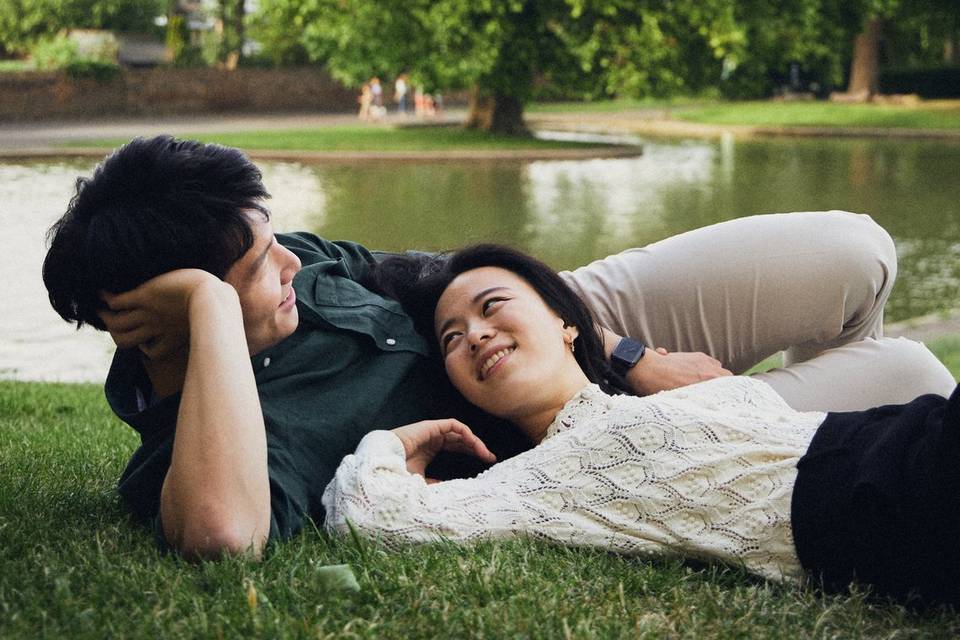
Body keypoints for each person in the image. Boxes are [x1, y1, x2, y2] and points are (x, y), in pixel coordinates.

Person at [42, 135, 952, 561]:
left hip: (541, 313)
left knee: (854, 253)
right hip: (579, 439)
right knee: (912, 377)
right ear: (171, 312)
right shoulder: (204, 459)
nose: (290, 261)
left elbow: (433, 268)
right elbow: (219, 535)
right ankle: (761, 419)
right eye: (249, 267)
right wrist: (206, 303)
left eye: (273, 236)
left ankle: (758, 403)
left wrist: (626, 351)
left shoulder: (294, 267)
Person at [323, 244, 960, 606]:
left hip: (905, 438)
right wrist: (395, 442)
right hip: (882, 500)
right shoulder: (540, 479)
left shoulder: (660, 405)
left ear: (568, 325)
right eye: (453, 339)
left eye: (493, 308)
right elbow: (372, 515)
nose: (477, 334)